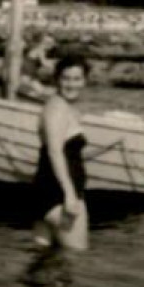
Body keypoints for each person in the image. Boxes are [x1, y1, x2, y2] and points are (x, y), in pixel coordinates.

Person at [31, 56, 90, 251]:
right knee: (73, 260)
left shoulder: (62, 107)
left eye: (76, 79)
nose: (71, 84)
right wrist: (70, 195)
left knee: (42, 265)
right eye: (66, 78)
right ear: (56, 79)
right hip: (61, 198)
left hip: (45, 195)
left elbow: (63, 151)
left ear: (84, 81)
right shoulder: (57, 109)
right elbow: (55, 152)